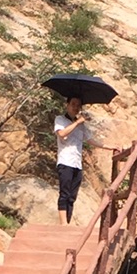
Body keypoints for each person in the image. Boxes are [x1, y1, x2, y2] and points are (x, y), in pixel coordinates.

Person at [53, 95, 95, 224]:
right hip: (65, 161)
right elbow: (61, 134)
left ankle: (68, 222)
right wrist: (77, 122)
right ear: (67, 105)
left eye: (78, 105)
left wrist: (111, 147)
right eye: (73, 104)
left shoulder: (81, 125)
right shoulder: (60, 119)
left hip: (77, 164)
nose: (75, 107)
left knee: (72, 196)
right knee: (64, 193)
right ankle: (63, 224)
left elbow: (91, 140)